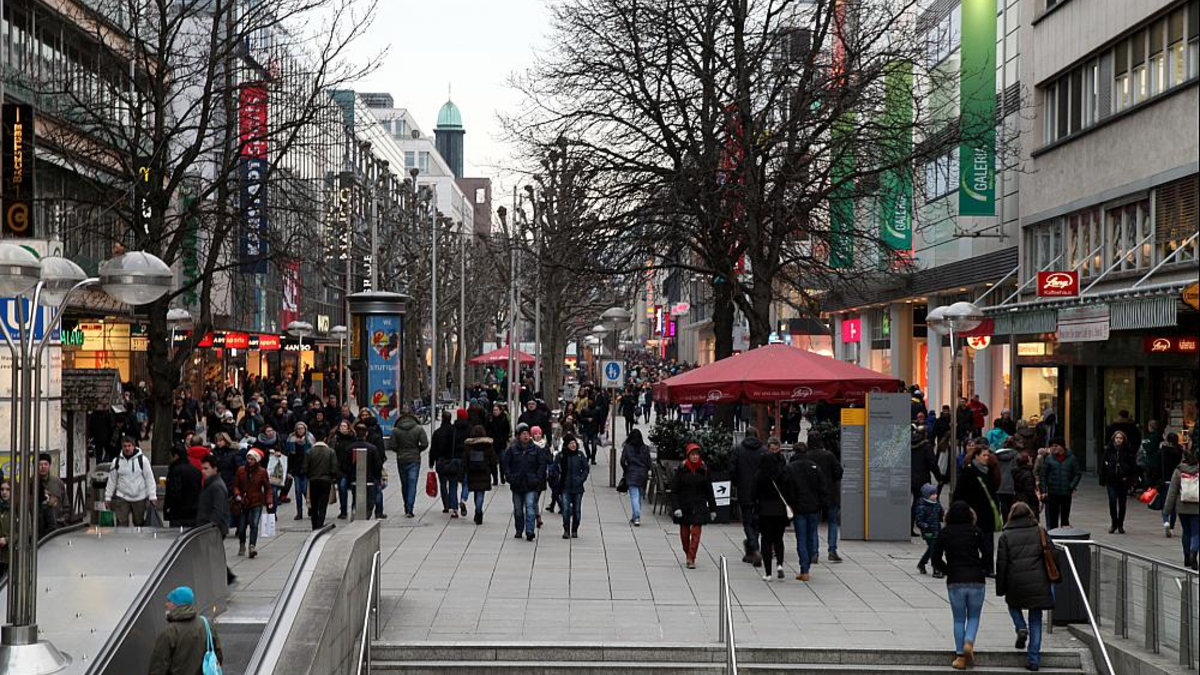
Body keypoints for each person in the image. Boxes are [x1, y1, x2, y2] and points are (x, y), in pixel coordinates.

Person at [996, 501, 1056, 672]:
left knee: (1012, 604)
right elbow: (1052, 554)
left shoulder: (1006, 536)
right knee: (1036, 619)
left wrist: (1000, 588)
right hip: (1038, 582)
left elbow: (1001, 565)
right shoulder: (1040, 532)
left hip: (1016, 582)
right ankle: (1033, 659)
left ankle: (1020, 626)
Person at [930, 501, 989, 671]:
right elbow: (986, 553)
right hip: (976, 580)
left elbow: (935, 557)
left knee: (958, 619)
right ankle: (969, 642)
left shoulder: (945, 533)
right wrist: (982, 568)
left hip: (955, 580)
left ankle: (960, 656)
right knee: (974, 617)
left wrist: (947, 569)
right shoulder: (976, 532)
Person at [148, 586, 222, 675]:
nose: (166, 604)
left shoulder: (169, 633)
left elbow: (158, 668)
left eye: (169, 601)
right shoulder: (206, 625)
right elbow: (218, 655)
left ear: (178, 604)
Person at [786, 441, 828, 582]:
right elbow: (822, 487)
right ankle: (809, 559)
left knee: (801, 538)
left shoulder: (791, 468)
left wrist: (791, 504)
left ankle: (804, 568)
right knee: (811, 534)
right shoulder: (814, 467)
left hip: (799, 508)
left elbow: (789, 489)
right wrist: (822, 504)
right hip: (814, 507)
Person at [672, 443, 718, 570]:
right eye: (692, 454)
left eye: (697, 454)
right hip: (684, 505)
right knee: (684, 534)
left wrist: (713, 509)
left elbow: (709, 491)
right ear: (688, 456)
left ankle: (691, 557)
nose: (695, 457)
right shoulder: (682, 470)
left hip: (699, 505)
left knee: (696, 533)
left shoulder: (704, 470)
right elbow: (674, 490)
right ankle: (687, 552)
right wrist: (676, 507)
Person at [801, 436, 844, 563]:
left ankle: (814, 553)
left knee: (813, 525)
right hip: (830, 494)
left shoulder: (807, 457)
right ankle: (832, 550)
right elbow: (839, 472)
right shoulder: (829, 455)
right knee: (832, 522)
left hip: (813, 496)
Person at [753, 438, 790, 581]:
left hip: (764, 511)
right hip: (780, 510)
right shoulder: (783, 472)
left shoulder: (760, 475)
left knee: (766, 541)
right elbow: (789, 490)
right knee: (778, 539)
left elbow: (753, 494)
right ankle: (780, 564)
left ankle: (768, 573)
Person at [502, 424, 548, 541]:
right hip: (517, 484)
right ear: (519, 436)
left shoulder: (536, 450)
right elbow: (506, 465)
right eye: (523, 434)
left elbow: (542, 465)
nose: (525, 436)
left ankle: (530, 531)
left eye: (527, 434)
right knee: (518, 510)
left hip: (531, 484)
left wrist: (537, 478)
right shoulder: (512, 450)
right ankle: (519, 529)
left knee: (530, 508)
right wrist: (509, 477)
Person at [730, 427, 768, 567]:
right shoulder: (763, 450)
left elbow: (732, 470)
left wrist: (737, 483)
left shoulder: (739, 450)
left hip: (745, 490)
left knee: (747, 522)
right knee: (757, 521)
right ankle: (754, 547)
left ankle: (754, 547)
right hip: (760, 492)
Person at [197, 455, 236, 585]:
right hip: (210, 527)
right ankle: (226, 577)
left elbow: (217, 510)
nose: (203, 471)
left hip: (214, 528)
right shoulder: (210, 484)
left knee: (212, 555)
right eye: (202, 468)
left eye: (206, 468)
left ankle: (226, 577)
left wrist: (211, 527)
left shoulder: (217, 486)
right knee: (212, 555)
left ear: (215, 469)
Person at [105, 436, 158, 527]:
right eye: (124, 446)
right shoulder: (116, 461)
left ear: (133, 446)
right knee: (121, 523)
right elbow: (112, 480)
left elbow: (149, 478)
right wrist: (108, 497)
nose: (127, 448)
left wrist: (152, 495)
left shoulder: (143, 460)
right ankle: (121, 539)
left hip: (139, 496)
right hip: (122, 496)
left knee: (139, 522)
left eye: (129, 446)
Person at [233, 448, 274, 558]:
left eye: (252, 459)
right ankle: (242, 544)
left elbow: (267, 488)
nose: (250, 461)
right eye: (248, 458)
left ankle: (252, 546)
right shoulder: (241, 471)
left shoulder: (262, 472)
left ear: (257, 460)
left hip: (256, 501)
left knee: (254, 524)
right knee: (241, 527)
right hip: (243, 502)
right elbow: (236, 485)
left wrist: (269, 501)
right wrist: (237, 494)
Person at [1163, 447, 1199, 570]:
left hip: (1182, 506)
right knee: (1196, 532)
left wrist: (1166, 511)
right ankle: (1194, 553)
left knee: (1186, 531)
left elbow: (1172, 492)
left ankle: (1187, 558)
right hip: (1197, 506)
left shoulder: (1178, 471)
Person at [390, 408, 429, 519]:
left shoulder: (396, 430)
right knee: (412, 484)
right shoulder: (418, 429)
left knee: (405, 484)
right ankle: (410, 508)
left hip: (401, 458)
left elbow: (392, 445)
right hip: (414, 459)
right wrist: (417, 449)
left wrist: (399, 450)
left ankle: (406, 506)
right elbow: (425, 443)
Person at [1100, 430, 1137, 534]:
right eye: (1117, 438)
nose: (1119, 440)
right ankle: (1114, 523)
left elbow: (1133, 465)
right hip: (1111, 480)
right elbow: (1103, 464)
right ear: (1113, 439)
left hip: (1123, 480)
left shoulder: (1127, 450)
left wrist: (1132, 479)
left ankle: (1120, 524)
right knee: (1112, 502)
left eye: (1120, 438)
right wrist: (1102, 479)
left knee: (1122, 503)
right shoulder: (1109, 450)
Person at [1039, 438, 1081, 530]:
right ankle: (1054, 538)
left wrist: (1071, 486)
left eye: (1056, 446)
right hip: (1053, 492)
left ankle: (1064, 537)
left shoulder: (1071, 458)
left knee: (1065, 518)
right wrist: (1043, 491)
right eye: (1052, 446)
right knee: (1053, 518)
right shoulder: (1049, 459)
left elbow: (1077, 474)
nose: (1053, 448)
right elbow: (1043, 476)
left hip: (1066, 492)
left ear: (1062, 447)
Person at [349, 422, 387, 519]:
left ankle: (357, 514)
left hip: (355, 479)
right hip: (370, 479)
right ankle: (365, 516)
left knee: (356, 499)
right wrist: (377, 477)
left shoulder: (350, 448)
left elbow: (346, 464)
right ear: (366, 434)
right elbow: (378, 465)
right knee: (370, 501)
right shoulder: (372, 448)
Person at [556, 435, 590, 539]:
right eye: (570, 443)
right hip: (565, 486)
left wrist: (581, 479)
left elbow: (585, 469)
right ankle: (566, 529)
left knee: (577, 510)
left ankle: (575, 529)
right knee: (566, 509)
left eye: (574, 443)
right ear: (566, 445)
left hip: (577, 487)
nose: (573, 445)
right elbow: (555, 468)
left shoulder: (580, 455)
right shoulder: (561, 456)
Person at [464, 425, 499, 524]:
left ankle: (478, 510)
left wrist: (461, 474)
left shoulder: (469, 446)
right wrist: (494, 474)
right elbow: (493, 461)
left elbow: (464, 461)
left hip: (472, 472)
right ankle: (478, 511)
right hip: (484, 472)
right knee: (481, 493)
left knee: (476, 492)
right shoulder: (488, 446)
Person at [429, 411, 461, 517]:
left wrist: (431, 461)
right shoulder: (455, 431)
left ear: (442, 418)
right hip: (452, 461)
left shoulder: (437, 432)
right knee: (453, 484)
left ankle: (446, 505)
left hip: (441, 461)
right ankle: (453, 503)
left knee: (443, 484)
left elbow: (433, 448)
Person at [910, 429, 942, 537]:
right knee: (919, 503)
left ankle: (909, 527)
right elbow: (932, 463)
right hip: (922, 479)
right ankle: (918, 526)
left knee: (911, 502)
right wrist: (939, 477)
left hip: (908, 477)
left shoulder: (909, 445)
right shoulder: (926, 447)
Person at [620, 429, 653, 526]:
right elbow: (649, 462)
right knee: (639, 495)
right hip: (643, 474)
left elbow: (622, 461)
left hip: (631, 472)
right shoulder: (645, 448)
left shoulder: (627, 447)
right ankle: (635, 516)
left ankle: (637, 516)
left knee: (634, 495)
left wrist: (626, 469)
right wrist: (647, 470)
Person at [164, 446, 201, 528]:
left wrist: (169, 507)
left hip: (178, 512)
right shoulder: (195, 471)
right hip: (193, 510)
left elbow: (175, 492)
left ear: (176, 456)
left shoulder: (175, 471)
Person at [305, 441, 339, 529]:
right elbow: (334, 468)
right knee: (323, 504)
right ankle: (320, 523)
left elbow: (304, 468)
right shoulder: (331, 452)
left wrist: (309, 475)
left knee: (314, 504)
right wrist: (332, 477)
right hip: (326, 481)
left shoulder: (309, 452)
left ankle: (314, 524)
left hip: (313, 480)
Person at [284, 422, 314, 521]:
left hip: (306, 469)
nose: (300, 430)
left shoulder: (309, 439)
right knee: (297, 492)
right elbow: (290, 457)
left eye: (302, 428)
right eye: (298, 429)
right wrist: (289, 471)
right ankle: (299, 512)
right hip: (296, 469)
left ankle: (310, 507)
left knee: (306, 491)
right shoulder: (291, 440)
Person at [914, 483, 944, 577]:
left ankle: (922, 563)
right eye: (933, 494)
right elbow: (919, 520)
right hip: (928, 531)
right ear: (927, 495)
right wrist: (925, 526)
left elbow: (940, 514)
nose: (935, 496)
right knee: (934, 549)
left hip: (936, 529)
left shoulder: (936, 504)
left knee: (932, 549)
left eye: (936, 494)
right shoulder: (922, 506)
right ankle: (936, 567)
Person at [331, 420, 357, 519]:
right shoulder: (335, 439)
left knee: (354, 490)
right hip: (340, 469)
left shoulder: (353, 438)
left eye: (344, 426)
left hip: (352, 468)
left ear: (348, 427)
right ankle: (343, 510)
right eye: (341, 426)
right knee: (342, 488)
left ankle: (354, 507)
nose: (342, 428)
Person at [1159, 433, 1185, 537]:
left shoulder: (1163, 450)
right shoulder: (1180, 451)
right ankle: (1172, 527)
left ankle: (1166, 521)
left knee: (1165, 504)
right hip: (1177, 481)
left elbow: (1157, 465)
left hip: (1165, 480)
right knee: (1174, 506)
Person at [37, 453, 67, 532]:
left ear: (49, 465)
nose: (43, 467)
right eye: (40, 464)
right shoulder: (30, 483)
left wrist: (63, 519)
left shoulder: (58, 482)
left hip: (56, 526)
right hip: (38, 527)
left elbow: (66, 504)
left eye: (45, 464)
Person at [994, 443, 1019, 525]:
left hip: (1000, 483)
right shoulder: (1016, 455)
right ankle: (1011, 522)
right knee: (1011, 505)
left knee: (1003, 505)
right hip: (1011, 483)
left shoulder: (996, 455)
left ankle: (1005, 523)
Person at [488, 404, 511, 485]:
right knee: (493, 462)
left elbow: (507, 430)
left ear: (500, 411)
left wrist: (506, 439)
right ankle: (495, 479)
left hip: (502, 444)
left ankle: (502, 476)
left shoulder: (504, 419)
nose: (495, 412)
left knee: (502, 461)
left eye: (496, 410)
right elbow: (488, 429)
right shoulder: (490, 419)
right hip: (492, 444)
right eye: (494, 410)